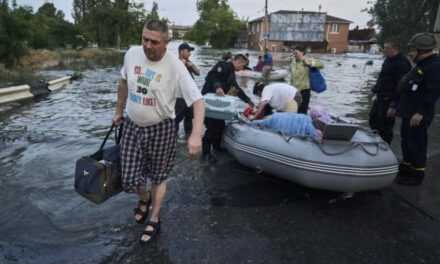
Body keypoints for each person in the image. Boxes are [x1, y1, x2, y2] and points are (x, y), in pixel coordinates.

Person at [112, 20, 205, 243]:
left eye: (154, 41)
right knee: (130, 178)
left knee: (158, 176)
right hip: (132, 126)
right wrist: (118, 111)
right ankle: (143, 200)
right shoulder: (132, 54)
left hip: (162, 127)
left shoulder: (176, 66)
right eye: (144, 39)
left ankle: (154, 217)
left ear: (166, 43)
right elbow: (123, 82)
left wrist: (195, 135)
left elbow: (198, 101)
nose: (147, 45)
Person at [395, 33, 440, 186]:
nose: (410, 53)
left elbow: (432, 92)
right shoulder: (421, 64)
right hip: (409, 110)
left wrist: (420, 112)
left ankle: (416, 175)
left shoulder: (434, 66)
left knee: (417, 143)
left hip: (418, 113)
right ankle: (406, 169)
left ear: (421, 50)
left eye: (413, 50)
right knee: (406, 141)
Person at [201, 54, 254, 162]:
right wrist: (218, 87)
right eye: (242, 66)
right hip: (209, 103)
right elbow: (211, 76)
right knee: (211, 128)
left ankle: (216, 147)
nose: (242, 69)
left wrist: (248, 100)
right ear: (238, 62)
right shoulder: (223, 66)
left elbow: (236, 89)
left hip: (219, 105)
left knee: (220, 126)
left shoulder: (232, 74)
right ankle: (205, 153)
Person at [369, 40, 411, 144]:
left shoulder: (402, 63)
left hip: (390, 99)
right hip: (381, 95)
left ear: (394, 49)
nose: (384, 50)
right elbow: (382, 77)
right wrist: (374, 90)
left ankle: (385, 146)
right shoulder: (388, 59)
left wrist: (394, 105)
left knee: (385, 125)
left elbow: (401, 86)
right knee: (373, 119)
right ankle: (374, 142)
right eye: (384, 47)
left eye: (386, 48)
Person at [175, 42, 200, 139]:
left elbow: (198, 72)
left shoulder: (189, 62)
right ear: (181, 51)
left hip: (190, 97)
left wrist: (190, 65)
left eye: (190, 51)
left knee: (189, 117)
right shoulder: (175, 62)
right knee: (176, 119)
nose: (190, 53)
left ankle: (188, 137)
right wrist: (182, 64)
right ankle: (173, 138)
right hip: (179, 97)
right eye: (188, 51)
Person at [290, 46, 323, 114]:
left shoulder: (307, 60)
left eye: (296, 53)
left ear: (302, 53)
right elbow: (292, 77)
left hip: (304, 91)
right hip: (294, 91)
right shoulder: (292, 62)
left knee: (302, 112)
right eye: (294, 53)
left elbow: (321, 65)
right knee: (294, 111)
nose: (294, 55)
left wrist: (309, 63)